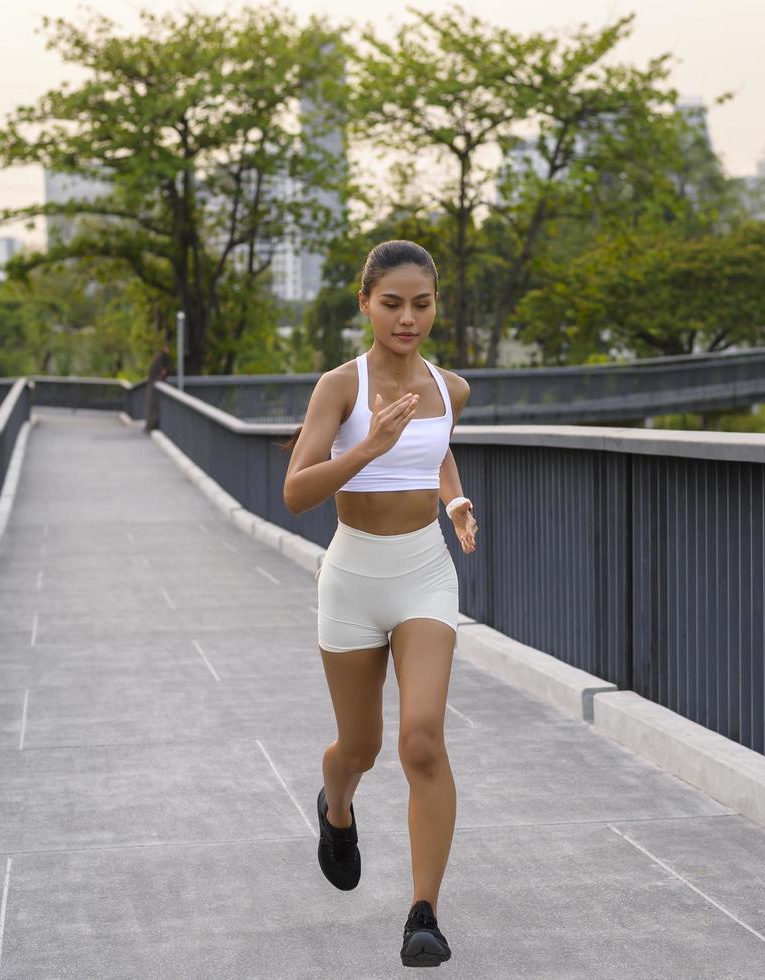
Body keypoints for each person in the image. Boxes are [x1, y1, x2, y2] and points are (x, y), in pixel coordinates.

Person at [281, 240, 479, 968]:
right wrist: (366, 448)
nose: (407, 318)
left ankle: (423, 914)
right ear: (364, 302)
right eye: (391, 303)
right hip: (352, 577)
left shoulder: (449, 387)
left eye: (421, 304)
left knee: (421, 738)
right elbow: (296, 492)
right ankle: (336, 808)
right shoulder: (340, 386)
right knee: (358, 747)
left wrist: (453, 500)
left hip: (424, 571)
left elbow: (434, 451)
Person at [144, 343, 171, 432]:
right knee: (153, 405)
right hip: (154, 383)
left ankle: (151, 425)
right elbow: (163, 371)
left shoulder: (158, 358)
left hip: (153, 383)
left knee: (152, 405)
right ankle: (152, 425)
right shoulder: (162, 358)